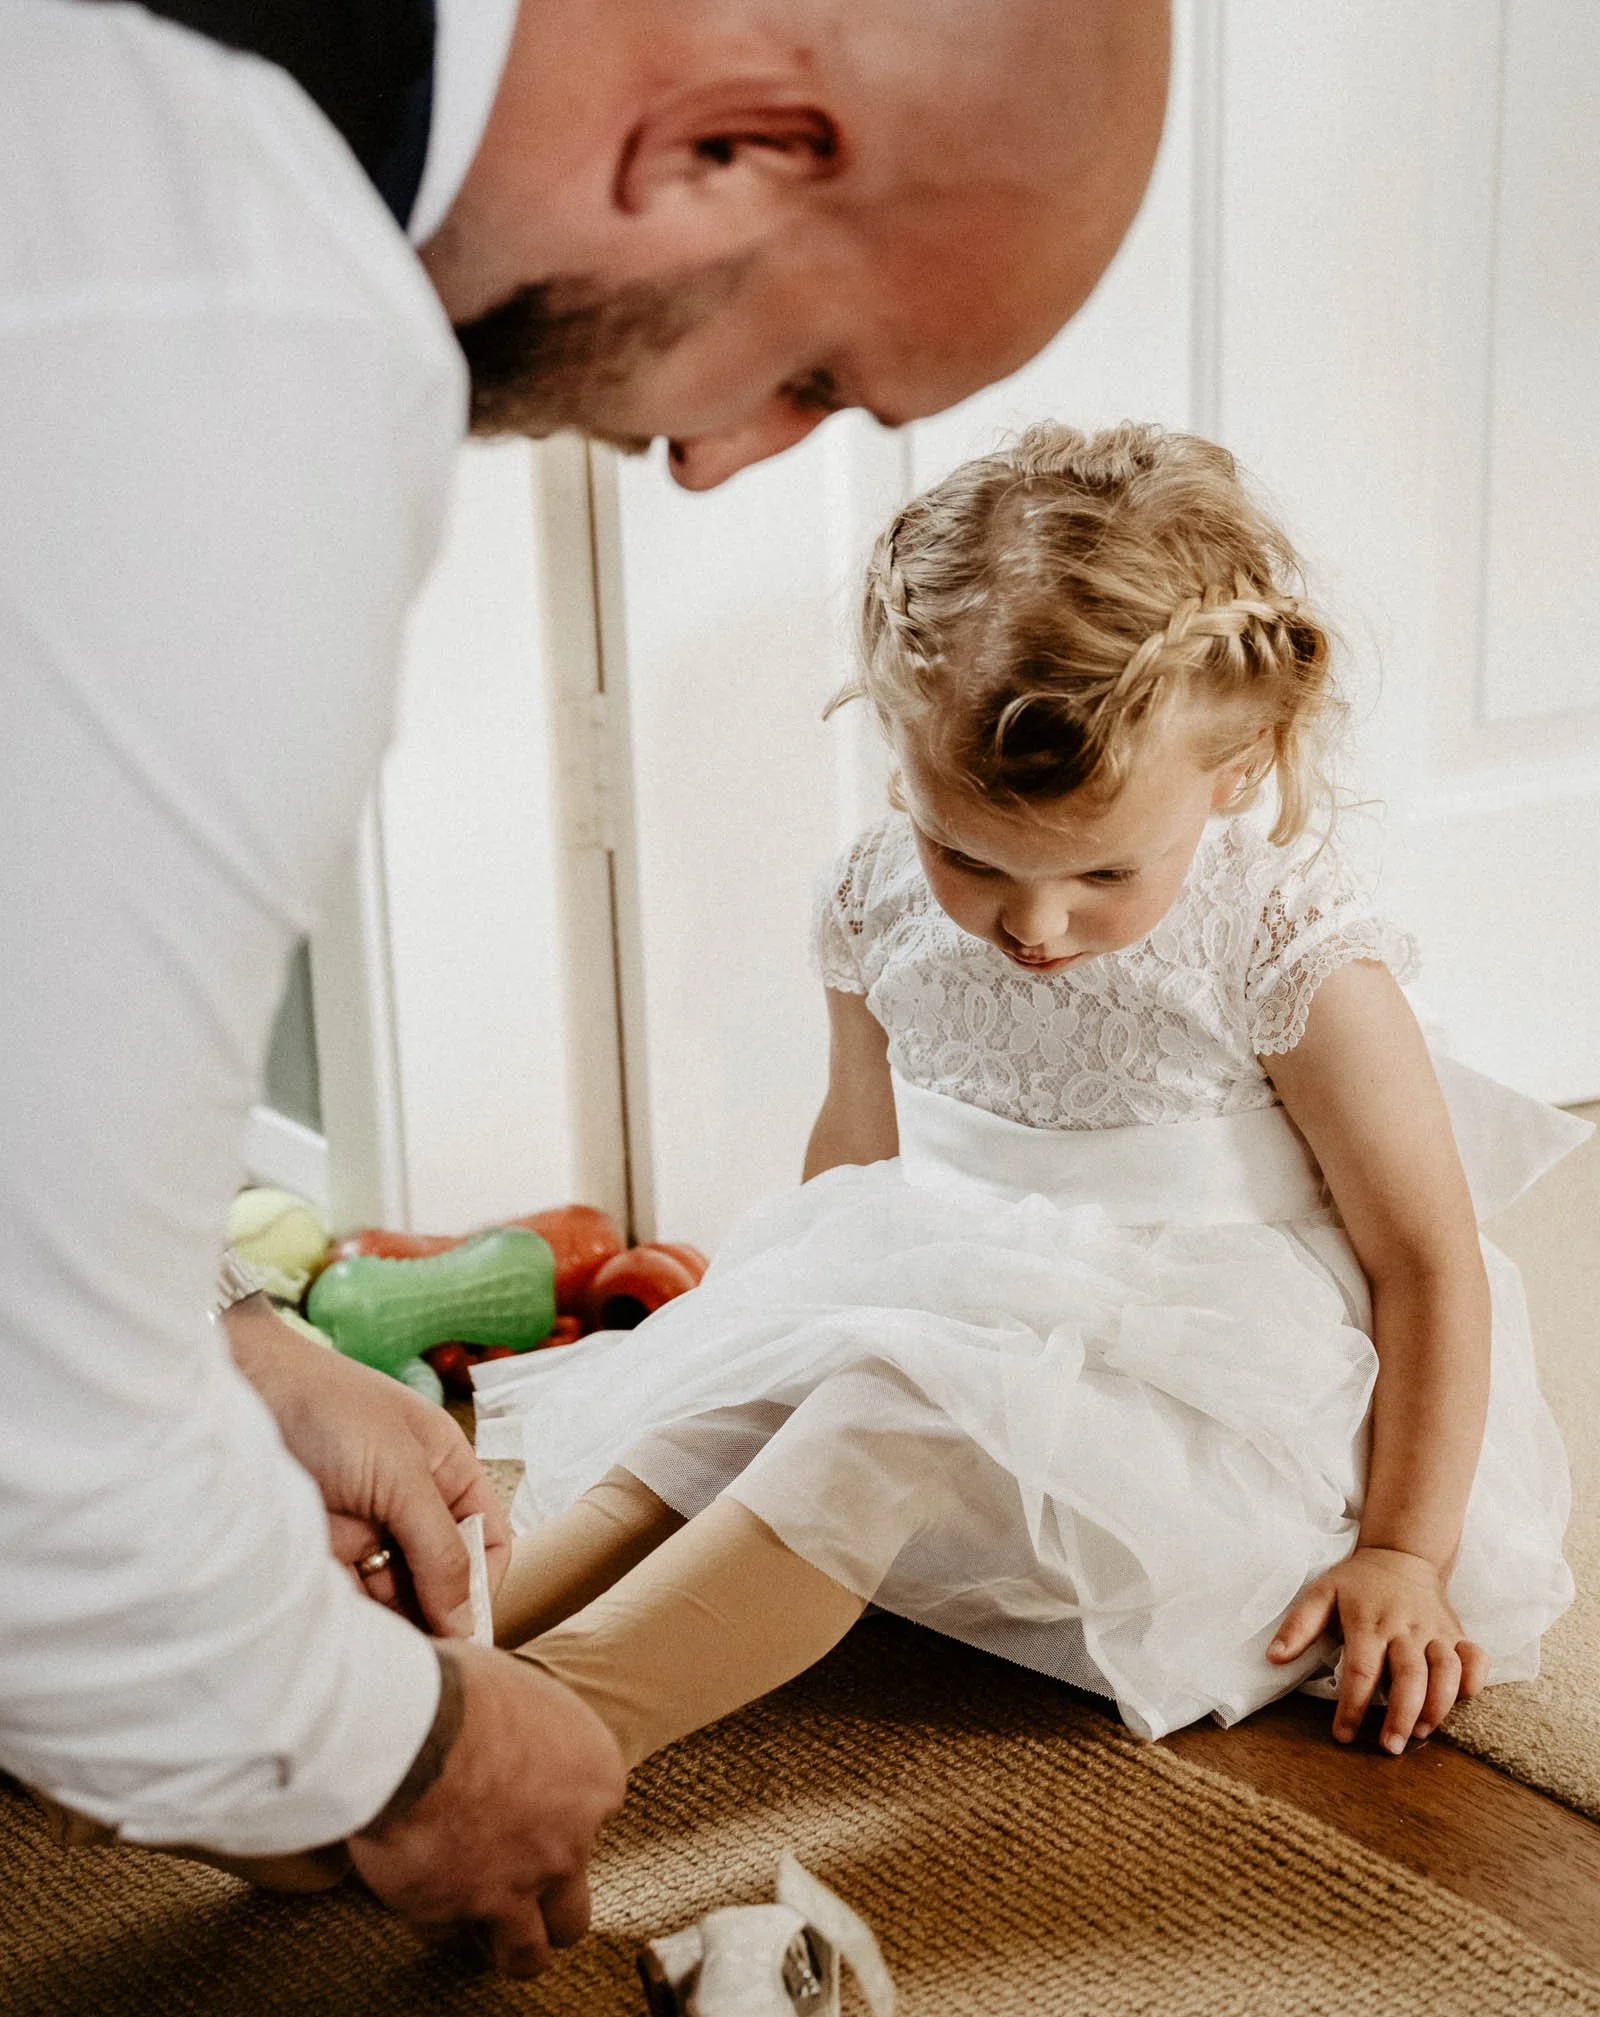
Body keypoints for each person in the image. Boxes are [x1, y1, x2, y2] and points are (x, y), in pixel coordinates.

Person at [0, 0, 1169, 1971]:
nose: (718, 463)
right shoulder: (237, 345)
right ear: (728, 143)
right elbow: (46, 1471)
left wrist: (234, 1345)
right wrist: (412, 1757)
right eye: (806, 371)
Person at [473, 421, 1581, 1768]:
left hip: (1209, 1409)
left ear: (1234, 774)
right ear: (901, 761)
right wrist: (785, 1322)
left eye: (1105, 875)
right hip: (955, 1293)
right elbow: (856, 1163)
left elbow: (1428, 1261)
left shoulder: (1283, 949)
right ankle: (432, 1664)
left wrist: (1406, 1550)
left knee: (885, 1414)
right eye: (970, 856)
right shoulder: (878, 894)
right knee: (751, 1397)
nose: (1034, 926)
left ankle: (539, 1739)